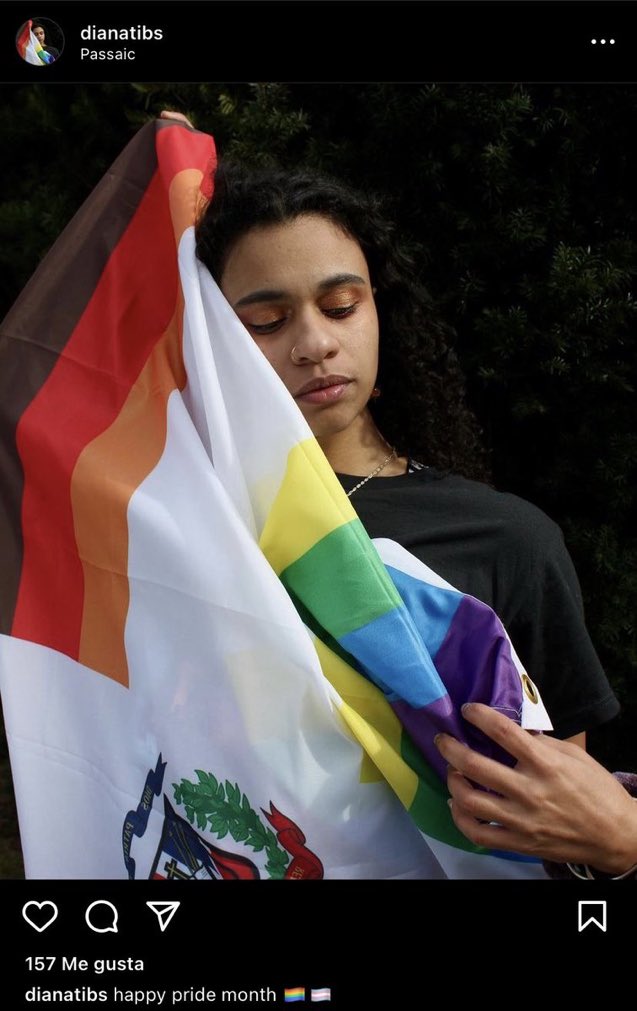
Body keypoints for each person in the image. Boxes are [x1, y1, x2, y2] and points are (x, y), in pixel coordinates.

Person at [173, 112, 631, 876]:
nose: (314, 342)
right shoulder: (186, 537)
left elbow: (554, 820)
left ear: (380, 309)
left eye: (341, 305)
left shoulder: (504, 539)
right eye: (266, 319)